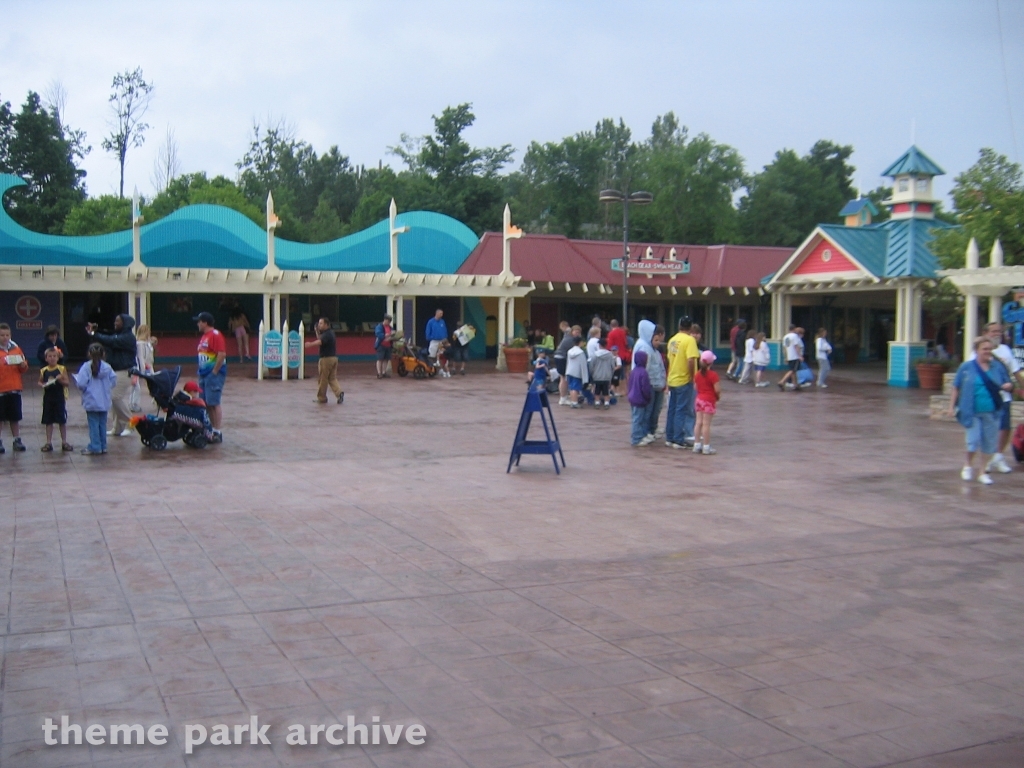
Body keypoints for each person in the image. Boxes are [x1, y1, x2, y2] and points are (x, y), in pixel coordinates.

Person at [948, 336, 1014, 485]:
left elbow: (1007, 382)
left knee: (989, 443)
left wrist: (1008, 386)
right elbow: (956, 386)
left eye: (990, 349)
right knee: (973, 440)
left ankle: (982, 472)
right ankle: (968, 465)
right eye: (984, 349)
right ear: (977, 350)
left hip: (992, 412)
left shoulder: (997, 367)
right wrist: (951, 407)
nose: (988, 352)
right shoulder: (966, 367)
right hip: (972, 412)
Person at [967, 322, 1024, 474]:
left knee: (1005, 428)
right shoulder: (978, 352)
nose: (997, 334)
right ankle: (984, 461)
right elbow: (970, 372)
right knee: (988, 430)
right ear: (985, 333)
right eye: (994, 331)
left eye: (999, 331)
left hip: (1004, 397)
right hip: (986, 397)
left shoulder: (1005, 350)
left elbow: (1015, 370)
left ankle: (998, 456)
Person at [87, 313, 137, 436]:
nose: (115, 323)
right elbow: (108, 336)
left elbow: (110, 340)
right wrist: (96, 331)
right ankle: (117, 428)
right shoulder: (119, 335)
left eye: (118, 321)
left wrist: (95, 334)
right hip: (115, 371)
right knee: (113, 399)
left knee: (115, 397)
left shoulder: (128, 337)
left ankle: (131, 422)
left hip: (124, 371)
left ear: (125, 323)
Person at [73, 342, 117, 455]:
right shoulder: (107, 367)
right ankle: (103, 446)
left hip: (91, 400)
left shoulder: (86, 367)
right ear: (103, 354)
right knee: (102, 424)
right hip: (104, 400)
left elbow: (81, 383)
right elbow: (113, 381)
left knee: (93, 425)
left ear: (89, 353)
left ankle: (95, 446)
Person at [665, 316, 699, 448]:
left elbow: (669, 360)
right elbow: (690, 360)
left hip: (673, 377)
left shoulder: (672, 340)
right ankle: (678, 438)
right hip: (684, 379)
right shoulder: (690, 340)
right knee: (681, 410)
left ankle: (669, 436)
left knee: (672, 409)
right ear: (690, 327)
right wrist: (691, 376)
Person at [633, 320, 666, 439]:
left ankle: (651, 430)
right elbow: (645, 367)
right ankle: (644, 433)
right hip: (650, 383)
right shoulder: (644, 346)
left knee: (654, 410)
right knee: (646, 411)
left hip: (656, 383)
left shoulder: (651, 347)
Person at [194, 311, 227, 430]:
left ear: (205, 323)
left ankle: (217, 430)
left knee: (213, 403)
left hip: (212, 374)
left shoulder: (215, 335)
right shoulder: (205, 336)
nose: (197, 324)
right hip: (203, 374)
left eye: (199, 322)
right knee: (206, 403)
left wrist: (214, 372)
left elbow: (221, 354)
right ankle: (210, 428)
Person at [0, 323, 29, 453]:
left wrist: (23, 365)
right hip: (1, 389)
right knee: (0, 418)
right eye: (2, 335)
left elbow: (23, 367)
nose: (5, 337)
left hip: (14, 387)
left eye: (7, 335)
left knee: (15, 417)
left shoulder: (16, 349)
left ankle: (17, 440)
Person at [39, 346, 72, 453]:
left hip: (59, 398)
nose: (52, 358)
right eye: (50, 356)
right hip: (48, 398)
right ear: (46, 358)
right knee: (48, 421)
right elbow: (40, 381)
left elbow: (67, 383)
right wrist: (43, 384)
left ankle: (64, 441)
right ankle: (48, 442)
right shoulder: (44, 370)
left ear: (58, 358)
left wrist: (60, 380)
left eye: (54, 356)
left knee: (62, 420)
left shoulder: (61, 369)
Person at [305, 317, 344, 404]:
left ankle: (321, 398)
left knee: (323, 379)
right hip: (333, 358)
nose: (319, 325)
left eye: (321, 323)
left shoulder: (327, 334)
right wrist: (316, 331)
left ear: (326, 324)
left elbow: (320, 342)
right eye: (319, 323)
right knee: (332, 378)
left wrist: (310, 344)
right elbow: (320, 338)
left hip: (326, 359)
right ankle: (339, 393)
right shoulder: (330, 333)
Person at [693, 350, 721, 455]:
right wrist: (717, 397)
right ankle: (706, 446)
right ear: (711, 362)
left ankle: (696, 445)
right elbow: (717, 389)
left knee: (698, 422)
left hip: (699, 399)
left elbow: (695, 387)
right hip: (709, 400)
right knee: (706, 424)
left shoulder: (697, 374)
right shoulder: (713, 375)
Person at [628, 350, 654, 446]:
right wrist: (648, 397)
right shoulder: (643, 372)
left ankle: (638, 436)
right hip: (640, 398)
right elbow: (645, 388)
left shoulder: (633, 371)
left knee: (636, 418)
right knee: (639, 419)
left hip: (632, 397)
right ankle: (636, 439)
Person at [554, 323, 580, 405]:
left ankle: (564, 397)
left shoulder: (567, 336)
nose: (577, 334)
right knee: (563, 378)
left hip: (559, 356)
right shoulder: (571, 340)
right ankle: (563, 398)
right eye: (576, 332)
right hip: (562, 357)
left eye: (579, 332)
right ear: (572, 331)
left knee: (563, 378)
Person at [589, 338, 616, 409]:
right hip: (607, 375)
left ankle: (597, 402)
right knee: (606, 390)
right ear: (606, 345)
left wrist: (592, 373)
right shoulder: (610, 355)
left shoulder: (595, 355)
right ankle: (606, 402)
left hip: (597, 375)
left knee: (597, 390)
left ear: (599, 345)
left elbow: (591, 365)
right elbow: (613, 366)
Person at [777, 325, 805, 391]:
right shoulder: (794, 336)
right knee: (792, 370)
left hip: (789, 356)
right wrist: (800, 356)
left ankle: (795, 385)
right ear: (794, 329)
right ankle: (782, 381)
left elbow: (785, 348)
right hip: (795, 356)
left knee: (793, 371)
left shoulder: (785, 337)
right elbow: (796, 346)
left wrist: (786, 357)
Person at [565, 336, 589, 409]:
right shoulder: (581, 352)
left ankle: (572, 401)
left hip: (569, 371)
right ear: (580, 342)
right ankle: (575, 402)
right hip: (577, 373)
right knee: (575, 388)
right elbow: (583, 365)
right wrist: (585, 377)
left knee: (571, 387)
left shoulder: (569, 351)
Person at [374, 314, 395, 379]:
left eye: (389, 322)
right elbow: (378, 334)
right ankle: (379, 373)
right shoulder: (379, 327)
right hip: (381, 345)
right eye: (388, 321)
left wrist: (393, 336)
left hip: (388, 345)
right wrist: (388, 335)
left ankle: (384, 372)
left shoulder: (390, 327)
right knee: (380, 359)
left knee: (386, 359)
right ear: (385, 320)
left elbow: (392, 335)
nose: (389, 323)